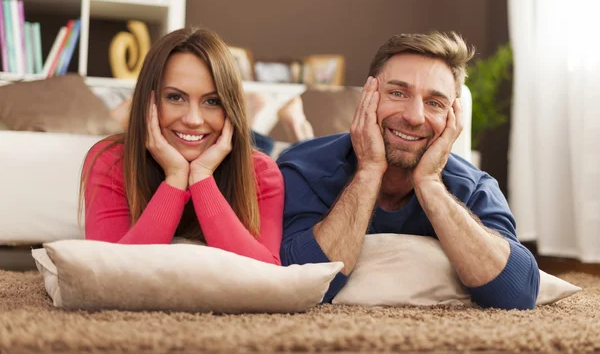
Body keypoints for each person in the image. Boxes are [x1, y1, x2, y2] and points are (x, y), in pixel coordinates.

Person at [277, 32, 540, 310]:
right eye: (398, 93)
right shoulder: (302, 167)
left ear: (453, 118)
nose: (414, 117)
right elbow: (299, 282)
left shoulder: (475, 187)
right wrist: (368, 171)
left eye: (435, 103)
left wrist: (429, 183)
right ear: (368, 97)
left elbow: (518, 294)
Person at [80, 27, 284, 264]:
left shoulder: (262, 172)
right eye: (176, 97)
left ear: (230, 106)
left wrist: (201, 177)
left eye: (212, 101)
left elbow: (265, 272)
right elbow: (111, 271)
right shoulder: (110, 161)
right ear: (149, 100)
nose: (193, 119)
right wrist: (175, 177)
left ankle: (260, 116)